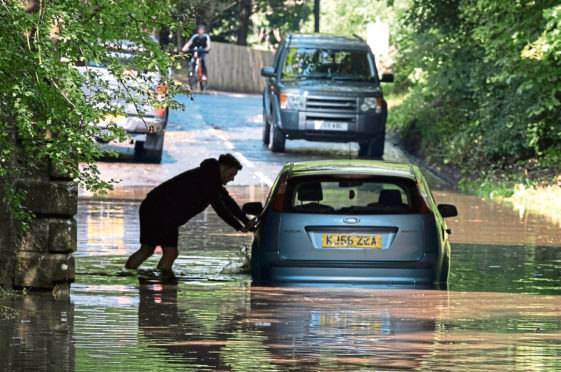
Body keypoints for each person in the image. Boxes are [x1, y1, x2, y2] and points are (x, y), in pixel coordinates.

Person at [125, 154, 253, 272]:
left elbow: (228, 202)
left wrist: (246, 221)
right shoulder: (208, 180)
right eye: (232, 174)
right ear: (223, 168)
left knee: (147, 249)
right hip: (162, 211)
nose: (232, 179)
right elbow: (220, 208)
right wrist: (240, 226)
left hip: (154, 207)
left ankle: (130, 274)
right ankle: (162, 284)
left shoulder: (210, 178)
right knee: (170, 252)